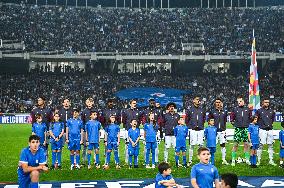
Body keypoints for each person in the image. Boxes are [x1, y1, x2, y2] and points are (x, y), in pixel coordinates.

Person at [230, 96, 252, 166]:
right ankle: (233, 160)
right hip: (238, 129)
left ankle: (247, 160)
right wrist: (235, 124)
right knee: (235, 144)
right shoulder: (235, 109)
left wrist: (247, 123)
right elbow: (231, 118)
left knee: (246, 144)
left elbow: (250, 118)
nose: (239, 102)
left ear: (243, 102)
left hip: (245, 129)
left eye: (240, 101)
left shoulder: (248, 109)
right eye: (238, 102)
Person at [255, 98, 276, 166]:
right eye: (265, 102)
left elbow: (272, 120)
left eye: (268, 102)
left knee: (271, 145)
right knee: (260, 145)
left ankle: (271, 160)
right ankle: (258, 160)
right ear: (262, 103)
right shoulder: (259, 111)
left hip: (270, 130)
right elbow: (256, 119)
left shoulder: (272, 111)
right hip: (262, 130)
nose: (267, 103)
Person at [185, 96, 206, 165]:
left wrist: (201, 125)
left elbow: (203, 119)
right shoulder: (190, 109)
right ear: (193, 101)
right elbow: (187, 119)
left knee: (201, 145)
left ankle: (202, 160)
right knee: (191, 145)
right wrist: (190, 126)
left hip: (200, 130)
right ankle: (190, 160)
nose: (198, 101)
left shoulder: (202, 109)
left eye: (199, 100)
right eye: (197, 99)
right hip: (192, 130)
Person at [208, 98, 229, 165]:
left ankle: (223, 159)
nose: (218, 103)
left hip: (222, 131)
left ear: (221, 103)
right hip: (214, 132)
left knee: (223, 145)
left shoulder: (225, 111)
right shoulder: (212, 111)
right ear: (215, 103)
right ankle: (211, 160)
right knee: (212, 146)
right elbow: (209, 120)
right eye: (216, 102)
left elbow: (225, 120)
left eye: (219, 102)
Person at [122, 99, 142, 164]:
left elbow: (139, 120)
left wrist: (137, 127)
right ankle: (126, 160)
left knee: (136, 144)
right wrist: (126, 127)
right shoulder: (126, 111)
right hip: (128, 130)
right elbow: (124, 121)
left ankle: (136, 160)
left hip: (136, 131)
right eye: (133, 103)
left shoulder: (138, 111)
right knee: (127, 145)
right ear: (130, 104)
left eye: (135, 103)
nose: (135, 104)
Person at [81, 98, 98, 164]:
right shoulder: (84, 111)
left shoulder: (95, 111)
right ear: (86, 103)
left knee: (95, 145)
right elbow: (82, 121)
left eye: (91, 102)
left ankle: (95, 160)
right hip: (86, 131)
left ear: (93, 102)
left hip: (94, 131)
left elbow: (98, 121)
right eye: (88, 102)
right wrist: (83, 130)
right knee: (85, 145)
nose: (89, 103)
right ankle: (84, 160)